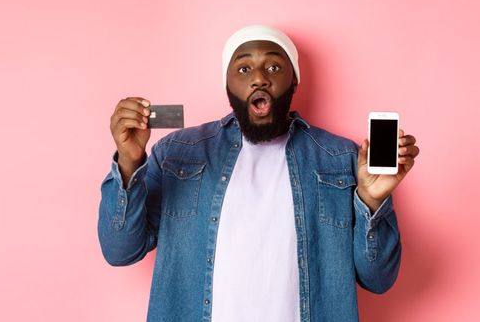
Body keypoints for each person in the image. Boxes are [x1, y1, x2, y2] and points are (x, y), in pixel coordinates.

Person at [97, 25, 420, 321]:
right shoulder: (179, 152)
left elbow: (378, 280)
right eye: (243, 68)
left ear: (294, 80)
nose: (259, 78)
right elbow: (120, 251)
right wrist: (128, 161)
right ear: (227, 84)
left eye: (274, 67)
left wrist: (372, 201)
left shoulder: (341, 157)